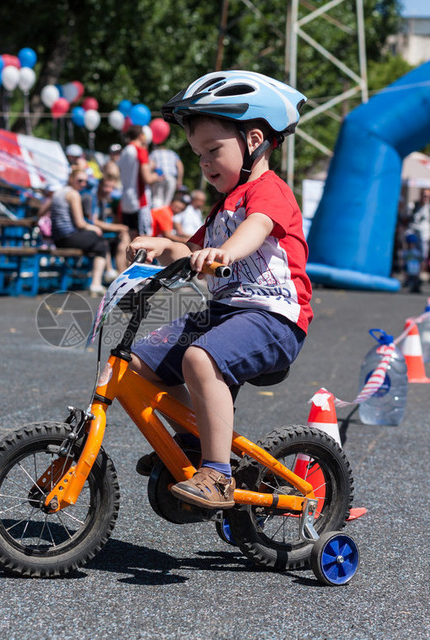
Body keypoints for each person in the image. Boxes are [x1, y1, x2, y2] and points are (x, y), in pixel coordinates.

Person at [126, 70, 311, 509]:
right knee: (137, 360)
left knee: (200, 357)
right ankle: (195, 440)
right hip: (227, 312)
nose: (205, 163)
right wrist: (163, 245)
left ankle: (218, 474)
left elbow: (256, 228)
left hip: (274, 318)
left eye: (213, 151)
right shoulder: (223, 205)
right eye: (197, 155)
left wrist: (225, 252)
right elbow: (190, 251)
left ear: (253, 141)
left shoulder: (269, 192)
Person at [49, 167, 109, 296]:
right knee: (102, 244)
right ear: (71, 179)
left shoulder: (57, 193)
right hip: (68, 237)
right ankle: (96, 283)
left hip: (57, 239)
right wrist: (95, 228)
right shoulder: (73, 194)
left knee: (98, 245)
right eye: (80, 180)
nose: (83, 184)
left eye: (85, 182)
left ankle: (97, 282)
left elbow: (42, 211)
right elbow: (80, 223)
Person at [118, 126, 162, 239]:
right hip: (139, 201)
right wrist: (157, 176)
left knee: (128, 238)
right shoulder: (140, 151)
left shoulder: (124, 151)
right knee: (143, 239)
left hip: (125, 200)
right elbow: (147, 178)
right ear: (141, 136)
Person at [86, 176, 130, 279]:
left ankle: (122, 273)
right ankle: (118, 273)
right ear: (100, 185)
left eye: (111, 187)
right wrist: (117, 227)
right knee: (123, 231)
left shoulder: (104, 200)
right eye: (106, 186)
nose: (108, 190)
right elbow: (94, 221)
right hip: (90, 233)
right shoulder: (92, 198)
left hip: (100, 233)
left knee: (123, 236)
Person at [407, 189, 430, 277]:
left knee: (422, 257)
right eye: (424, 195)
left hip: (425, 235)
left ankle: (418, 277)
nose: (425, 198)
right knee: (411, 255)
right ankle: (409, 275)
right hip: (413, 233)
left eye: (428, 196)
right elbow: (406, 219)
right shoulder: (413, 205)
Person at [149, 143, 184, 208]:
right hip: (171, 177)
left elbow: (150, 165)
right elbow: (180, 166)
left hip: (159, 176)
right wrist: (179, 180)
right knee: (167, 201)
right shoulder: (173, 153)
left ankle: (156, 215)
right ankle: (164, 215)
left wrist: (150, 178)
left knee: (157, 199)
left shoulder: (154, 153)